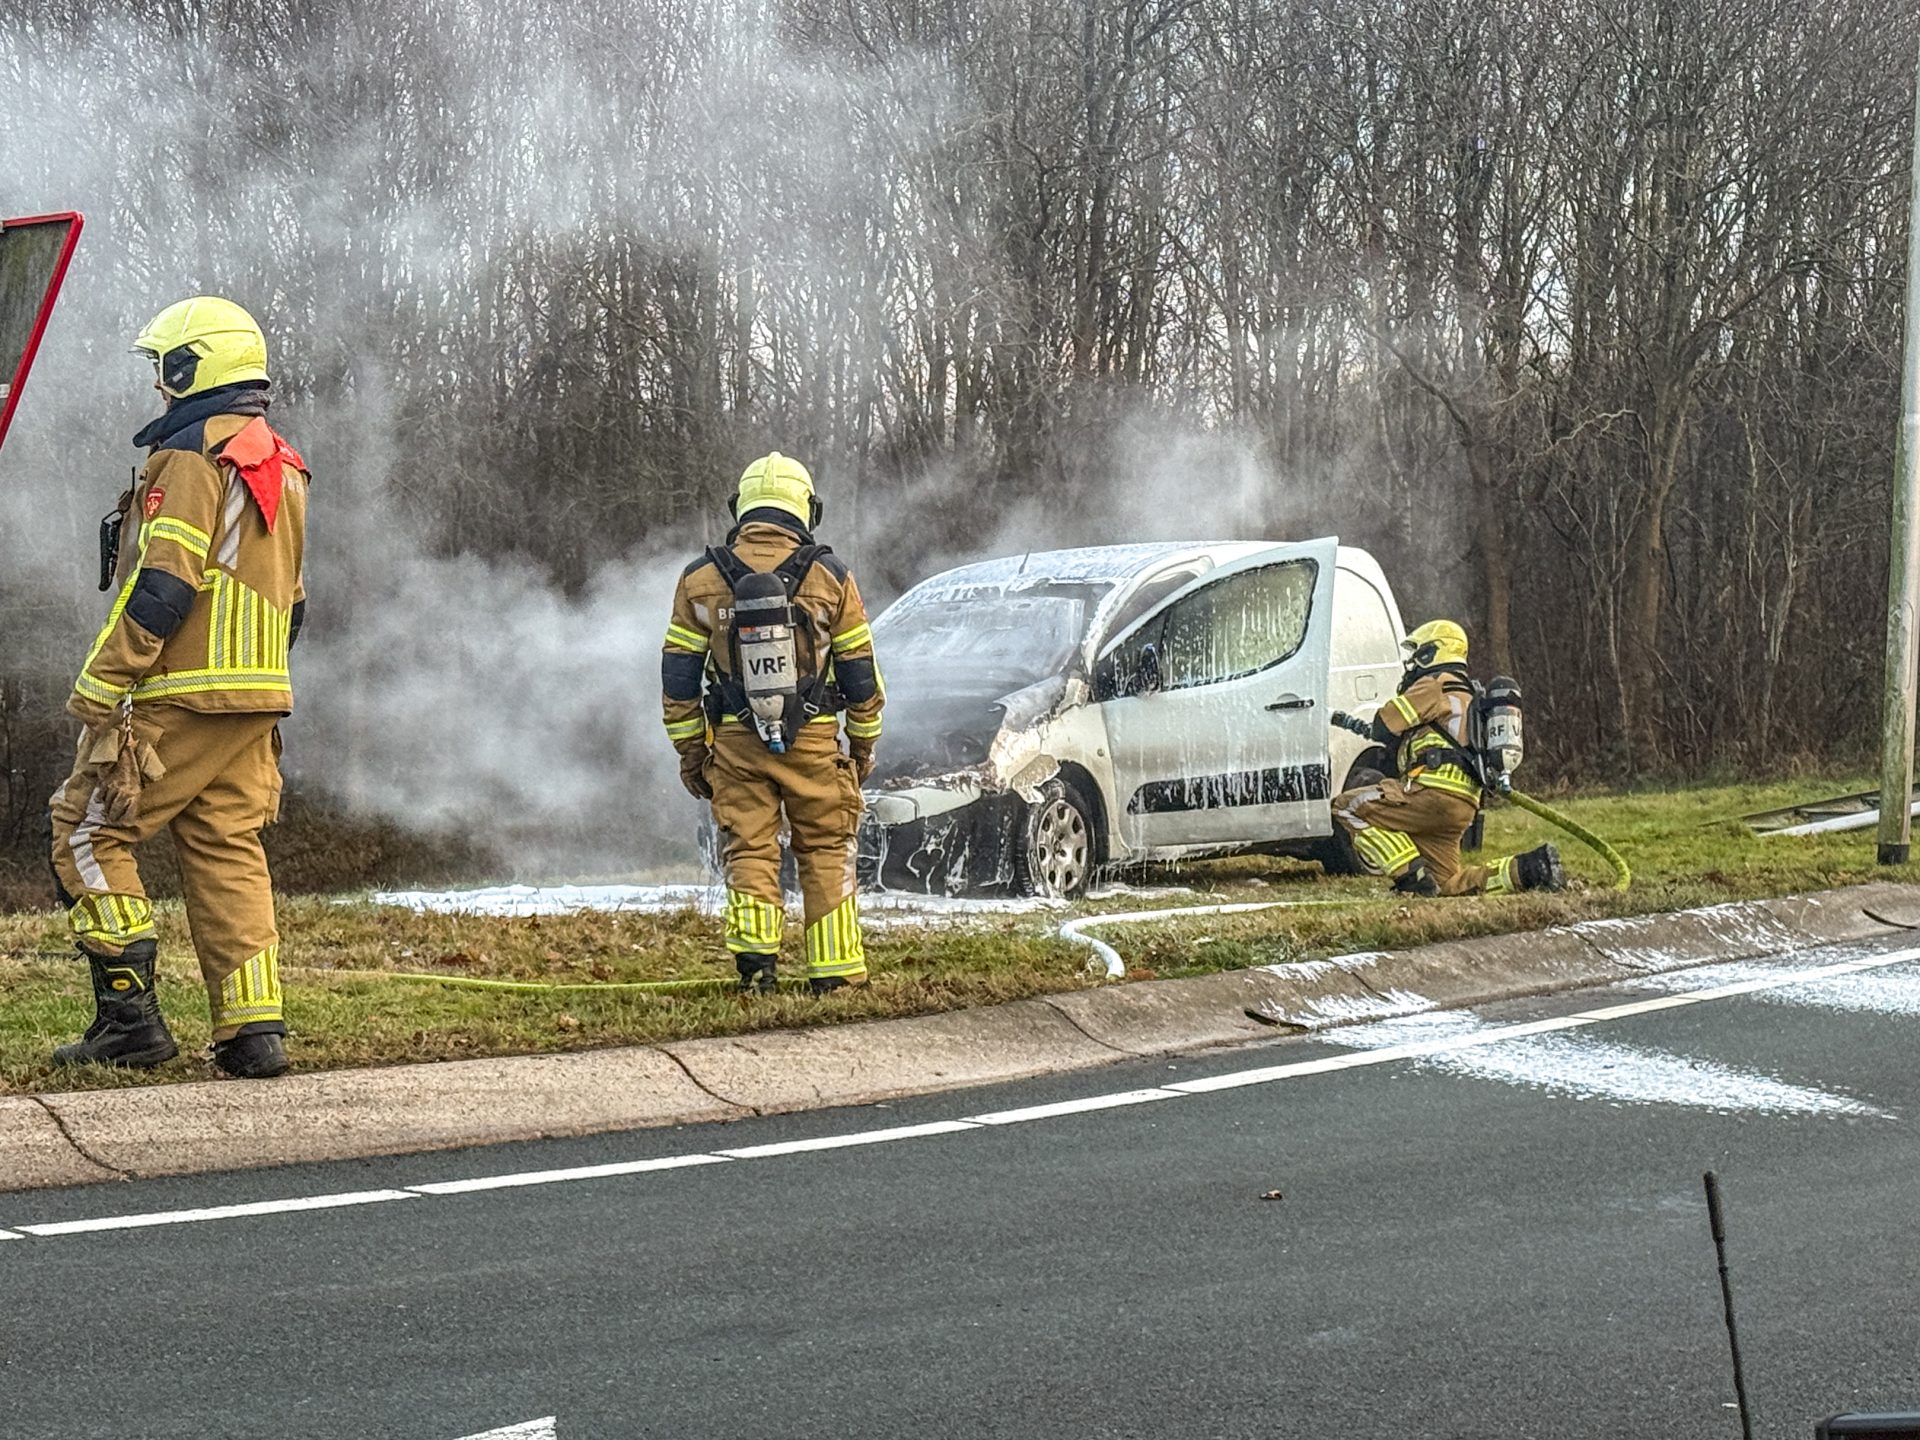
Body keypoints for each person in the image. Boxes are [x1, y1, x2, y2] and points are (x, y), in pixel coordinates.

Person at [47, 296, 309, 1078]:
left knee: (86, 833)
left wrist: (104, 680)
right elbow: (293, 601)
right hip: (257, 699)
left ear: (195, 367)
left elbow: (163, 584)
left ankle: (130, 1023)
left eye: (164, 370)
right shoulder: (283, 465)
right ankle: (254, 1031)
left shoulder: (191, 457)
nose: (159, 387)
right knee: (226, 847)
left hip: (182, 693)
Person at [661, 451, 883, 994]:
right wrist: (862, 747)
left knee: (750, 846)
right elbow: (860, 677)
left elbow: (678, 681)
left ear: (741, 509)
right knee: (827, 845)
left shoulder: (701, 580)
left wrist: (692, 753)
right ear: (809, 511)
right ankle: (833, 974)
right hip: (812, 740)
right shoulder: (832, 577)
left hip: (735, 742)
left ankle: (756, 970)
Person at [1329, 619, 1562, 897]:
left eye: (1418, 655)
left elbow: (1384, 724)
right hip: (1463, 805)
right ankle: (1530, 869)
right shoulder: (1469, 696)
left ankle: (1408, 874)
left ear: (1434, 652)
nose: (1413, 663)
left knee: (1347, 807)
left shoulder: (1434, 685)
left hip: (1431, 792)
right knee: (1449, 883)